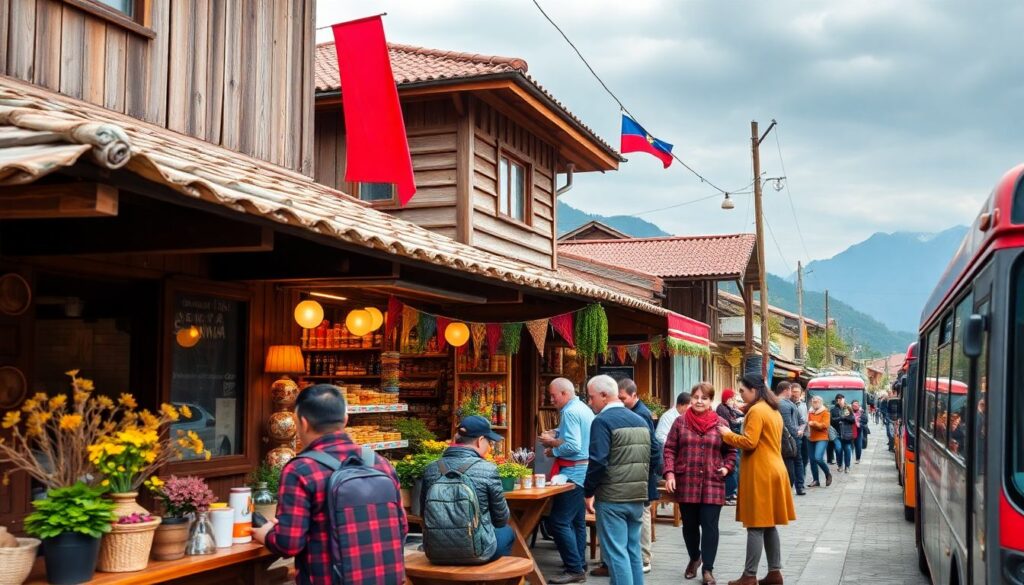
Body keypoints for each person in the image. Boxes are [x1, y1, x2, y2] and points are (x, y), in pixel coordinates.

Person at [253, 384, 407, 585]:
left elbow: (288, 544)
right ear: (345, 419)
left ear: (303, 423)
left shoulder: (301, 469)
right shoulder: (380, 463)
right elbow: (401, 528)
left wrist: (266, 533)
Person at [718, 375, 796, 585]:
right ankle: (774, 572)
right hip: (775, 468)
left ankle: (749, 575)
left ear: (753, 390)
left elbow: (749, 442)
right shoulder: (771, 408)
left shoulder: (757, 410)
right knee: (769, 525)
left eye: (743, 391)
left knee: (755, 525)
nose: (740, 395)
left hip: (761, 471)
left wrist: (727, 434)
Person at [584, 375, 656, 585]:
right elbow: (654, 455)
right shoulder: (640, 419)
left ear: (604, 396)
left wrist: (588, 492)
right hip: (637, 496)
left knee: (616, 554)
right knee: (633, 551)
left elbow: (598, 461)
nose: (590, 402)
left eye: (591, 397)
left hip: (612, 497)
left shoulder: (602, 421)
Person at [662, 383, 737, 585]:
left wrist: (727, 468)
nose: (699, 401)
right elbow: (669, 449)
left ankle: (708, 569)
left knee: (710, 526)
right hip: (687, 481)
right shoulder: (680, 422)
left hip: (713, 482)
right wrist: (669, 473)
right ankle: (695, 557)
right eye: (696, 397)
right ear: (691, 399)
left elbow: (731, 451)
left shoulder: (720, 423)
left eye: (704, 398)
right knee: (690, 527)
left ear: (711, 400)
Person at [420, 415, 513, 563]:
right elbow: (501, 520)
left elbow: (423, 515)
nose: (489, 447)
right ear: (480, 440)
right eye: (489, 442)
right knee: (507, 532)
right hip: (478, 552)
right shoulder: (488, 469)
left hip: (435, 552)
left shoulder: (431, 469)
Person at [540, 378, 594, 585]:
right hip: (583, 470)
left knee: (559, 521)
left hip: (574, 472)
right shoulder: (582, 408)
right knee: (577, 521)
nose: (551, 399)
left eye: (553, 395)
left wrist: (552, 448)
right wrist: (556, 433)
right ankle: (579, 562)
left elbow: (572, 445)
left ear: (564, 393)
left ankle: (574, 568)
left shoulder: (570, 412)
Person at [614, 378, 660, 575]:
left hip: (641, 475)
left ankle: (644, 558)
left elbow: (653, 447)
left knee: (643, 514)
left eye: (623, 398)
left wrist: (647, 472)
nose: (621, 401)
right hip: (639, 475)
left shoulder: (640, 414)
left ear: (635, 395)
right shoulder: (633, 412)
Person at [775, 381, 805, 496]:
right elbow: (787, 424)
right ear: (786, 390)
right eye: (790, 390)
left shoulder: (787, 403)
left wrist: (800, 430)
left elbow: (800, 421)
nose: (791, 393)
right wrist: (797, 432)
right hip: (789, 438)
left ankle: (794, 486)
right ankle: (796, 486)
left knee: (794, 462)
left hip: (789, 437)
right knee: (794, 462)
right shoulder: (784, 404)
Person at [717, 388, 743, 506]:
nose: (733, 401)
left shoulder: (728, 408)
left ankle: (731, 493)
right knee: (732, 467)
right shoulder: (722, 409)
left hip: (732, 440)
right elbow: (729, 424)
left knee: (734, 467)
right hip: (729, 440)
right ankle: (728, 495)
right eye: (731, 398)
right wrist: (738, 421)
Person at [806, 396, 833, 487]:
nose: (814, 403)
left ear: (821, 402)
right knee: (812, 460)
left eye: (816, 401)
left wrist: (813, 423)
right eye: (813, 401)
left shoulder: (825, 412)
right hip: (810, 437)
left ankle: (827, 473)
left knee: (818, 458)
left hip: (822, 437)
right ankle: (816, 480)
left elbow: (825, 425)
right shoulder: (809, 412)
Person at [790, 383, 810, 490]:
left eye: (797, 392)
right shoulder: (787, 404)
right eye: (794, 392)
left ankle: (801, 478)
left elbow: (805, 419)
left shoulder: (804, 405)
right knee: (796, 459)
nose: (795, 394)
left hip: (804, 435)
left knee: (804, 459)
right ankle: (798, 483)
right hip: (793, 435)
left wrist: (803, 429)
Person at [836, 403, 856, 473]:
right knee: (838, 450)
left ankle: (847, 466)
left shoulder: (851, 417)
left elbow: (852, 420)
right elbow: (834, 420)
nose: (846, 413)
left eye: (847, 411)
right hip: (838, 436)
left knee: (847, 450)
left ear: (850, 411)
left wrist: (843, 417)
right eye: (844, 411)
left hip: (848, 437)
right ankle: (840, 465)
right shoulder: (839, 417)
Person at [829, 394, 847, 468]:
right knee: (838, 448)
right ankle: (840, 464)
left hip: (846, 433)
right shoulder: (833, 410)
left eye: (843, 400)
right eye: (842, 400)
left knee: (847, 449)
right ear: (838, 400)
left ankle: (846, 464)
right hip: (836, 433)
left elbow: (851, 418)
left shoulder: (847, 408)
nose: (843, 402)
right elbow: (831, 421)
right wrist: (841, 418)